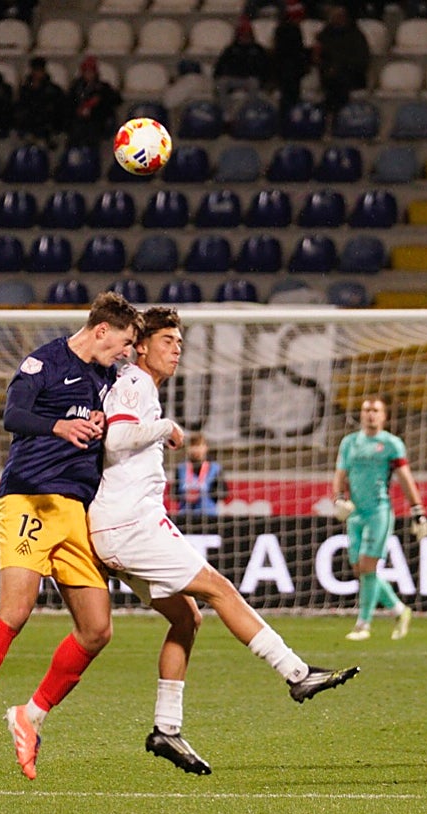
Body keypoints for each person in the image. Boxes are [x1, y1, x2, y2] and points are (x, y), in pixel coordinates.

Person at [88, 307, 359, 775]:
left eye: (180, 342)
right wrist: (166, 428)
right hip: (128, 525)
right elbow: (116, 439)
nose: (177, 349)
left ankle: (166, 730)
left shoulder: (137, 385)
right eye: (168, 340)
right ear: (142, 345)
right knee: (220, 588)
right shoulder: (135, 383)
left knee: (187, 618)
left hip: (123, 525)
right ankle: (296, 673)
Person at [0, 291, 143, 781]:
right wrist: (59, 425)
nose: (128, 352)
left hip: (77, 509)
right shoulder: (45, 361)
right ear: (101, 330)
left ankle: (29, 716)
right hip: (29, 498)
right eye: (125, 342)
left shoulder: (108, 377)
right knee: (16, 610)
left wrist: (99, 422)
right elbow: (12, 415)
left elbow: (111, 422)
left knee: (97, 629)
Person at [332, 395, 427, 642]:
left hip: (379, 512)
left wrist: (417, 511)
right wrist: (338, 500)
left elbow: (405, 479)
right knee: (360, 569)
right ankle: (399, 609)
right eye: (366, 410)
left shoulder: (391, 444)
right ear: (361, 415)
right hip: (355, 514)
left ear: (384, 416)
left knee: (367, 567)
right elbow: (340, 474)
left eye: (375, 410)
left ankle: (363, 624)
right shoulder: (350, 442)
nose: (370, 414)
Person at [313, 5, 369, 114]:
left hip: (352, 75)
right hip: (328, 75)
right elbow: (319, 58)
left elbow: (362, 60)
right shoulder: (325, 35)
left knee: (339, 82)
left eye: (340, 17)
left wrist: (340, 66)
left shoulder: (356, 36)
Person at [175, 432, 228, 518]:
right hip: (185, 515)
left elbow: (224, 493)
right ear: (188, 448)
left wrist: (207, 494)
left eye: (199, 446)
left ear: (206, 448)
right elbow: (174, 493)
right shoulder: (181, 468)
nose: (196, 449)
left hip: (209, 515)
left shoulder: (215, 468)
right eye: (193, 446)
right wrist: (186, 495)